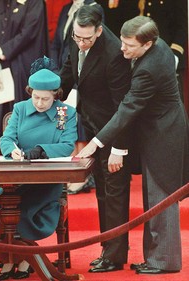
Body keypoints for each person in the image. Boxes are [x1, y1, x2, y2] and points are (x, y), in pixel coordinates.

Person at [77, 16, 189, 274]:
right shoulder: (156, 45)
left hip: (164, 135)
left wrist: (96, 142)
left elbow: (127, 110)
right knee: (153, 198)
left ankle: (165, 261)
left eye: (129, 45)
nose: (122, 49)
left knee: (162, 197)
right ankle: (156, 258)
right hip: (158, 129)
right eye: (123, 42)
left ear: (148, 44)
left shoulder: (150, 69)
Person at [0, 57, 78, 280]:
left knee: (24, 211)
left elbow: (67, 146)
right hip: (15, 178)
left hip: (46, 181)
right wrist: (11, 150)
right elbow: (7, 138)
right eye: (35, 97)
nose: (40, 103)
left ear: (56, 95)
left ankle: (23, 260)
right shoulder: (20, 108)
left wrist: (41, 150)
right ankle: (8, 259)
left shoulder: (65, 113)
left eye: (46, 99)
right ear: (30, 91)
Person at [59, 5, 132, 272]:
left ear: (99, 31)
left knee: (114, 193)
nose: (81, 42)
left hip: (114, 131)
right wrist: (47, 90)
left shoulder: (114, 53)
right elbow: (68, 72)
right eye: (77, 37)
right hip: (92, 126)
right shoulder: (77, 35)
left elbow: (123, 107)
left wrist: (119, 148)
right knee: (102, 191)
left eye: (86, 39)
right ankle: (107, 249)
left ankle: (114, 257)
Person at [50, 0, 104, 194]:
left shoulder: (94, 7)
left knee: (80, 124)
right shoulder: (66, 9)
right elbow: (57, 42)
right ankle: (70, 171)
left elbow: (96, 46)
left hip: (84, 73)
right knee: (65, 122)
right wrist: (57, 72)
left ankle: (83, 174)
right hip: (66, 69)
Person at [0, 0, 49, 137]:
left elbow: (29, 32)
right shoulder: (4, 3)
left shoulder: (35, 3)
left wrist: (1, 52)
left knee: (22, 112)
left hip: (23, 65)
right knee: (1, 115)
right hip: (3, 66)